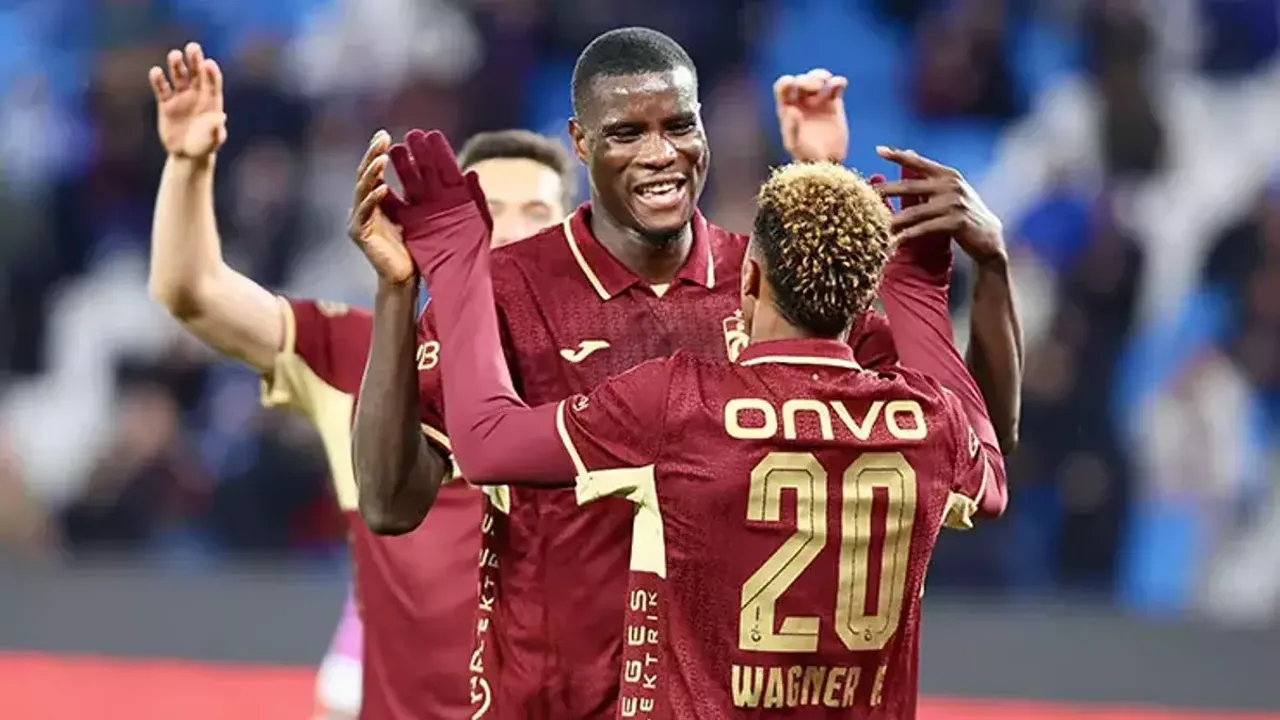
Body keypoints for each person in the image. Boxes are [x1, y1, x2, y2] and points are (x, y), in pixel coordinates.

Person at [351, 28, 1021, 720]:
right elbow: (389, 504)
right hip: (547, 703)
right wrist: (398, 293)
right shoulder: (502, 292)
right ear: (580, 142)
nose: (660, 153)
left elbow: (972, 449)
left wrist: (991, 274)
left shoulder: (775, 291)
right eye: (627, 133)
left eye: (678, 126)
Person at [145, 43, 575, 720]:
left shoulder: (619, 374)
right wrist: (188, 163)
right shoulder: (361, 357)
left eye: (538, 212)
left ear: (574, 235)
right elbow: (191, 290)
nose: (510, 232)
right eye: (488, 209)